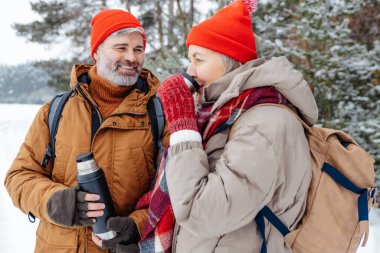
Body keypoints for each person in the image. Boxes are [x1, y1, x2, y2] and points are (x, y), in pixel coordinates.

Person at [147, 0, 319, 252]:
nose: (190, 70)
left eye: (198, 59)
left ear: (229, 60)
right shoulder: (224, 116)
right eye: (190, 60)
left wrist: (184, 129)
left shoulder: (265, 123)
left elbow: (201, 213)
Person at [4, 9, 169, 253]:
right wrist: (55, 201)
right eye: (121, 48)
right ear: (96, 52)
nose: (132, 58)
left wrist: (137, 225)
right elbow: (19, 176)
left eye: (138, 49)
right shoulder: (57, 110)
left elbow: (171, 192)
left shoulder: (158, 114)